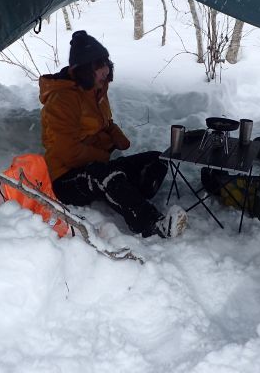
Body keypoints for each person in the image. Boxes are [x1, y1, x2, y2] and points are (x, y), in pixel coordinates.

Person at [39, 30, 188, 238]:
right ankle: (152, 224)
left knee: (157, 159)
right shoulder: (61, 100)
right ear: (82, 69)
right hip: (65, 177)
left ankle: (127, 197)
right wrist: (102, 154)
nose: (105, 71)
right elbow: (67, 152)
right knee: (107, 176)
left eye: (105, 63)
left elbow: (104, 122)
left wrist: (117, 136)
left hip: (94, 166)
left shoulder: (95, 90)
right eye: (99, 66)